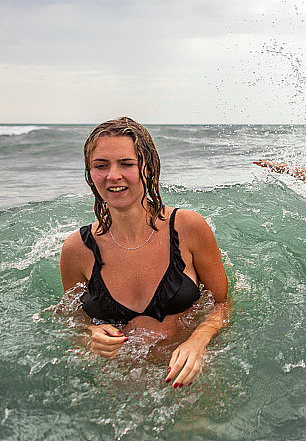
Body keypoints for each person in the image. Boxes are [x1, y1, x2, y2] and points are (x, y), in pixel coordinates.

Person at [59, 117, 229, 389]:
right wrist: (89, 333)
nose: (113, 176)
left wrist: (198, 341)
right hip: (119, 387)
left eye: (126, 164)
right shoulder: (77, 249)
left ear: (149, 168)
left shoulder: (188, 228)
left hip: (189, 379)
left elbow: (223, 306)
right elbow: (72, 319)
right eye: (101, 166)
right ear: (90, 173)